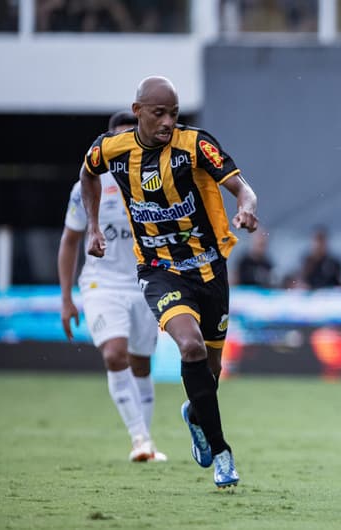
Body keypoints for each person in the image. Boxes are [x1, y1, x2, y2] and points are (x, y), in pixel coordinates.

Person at [79, 76, 259, 489]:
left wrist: (247, 208)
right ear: (138, 110)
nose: (167, 122)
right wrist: (93, 227)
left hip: (210, 269)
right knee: (190, 344)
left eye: (174, 114)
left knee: (209, 371)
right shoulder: (111, 148)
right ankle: (223, 454)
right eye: (159, 113)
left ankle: (195, 414)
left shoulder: (195, 144)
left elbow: (241, 188)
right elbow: (87, 173)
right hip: (159, 270)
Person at [59, 110, 165, 463]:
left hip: (145, 282)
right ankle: (139, 439)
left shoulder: (155, 182)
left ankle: (146, 441)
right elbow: (69, 241)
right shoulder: (87, 186)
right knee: (114, 354)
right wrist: (66, 299)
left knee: (141, 364)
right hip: (101, 283)